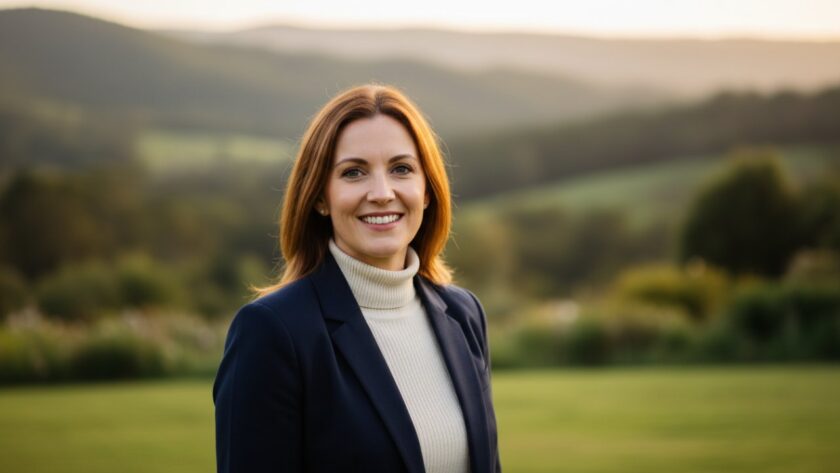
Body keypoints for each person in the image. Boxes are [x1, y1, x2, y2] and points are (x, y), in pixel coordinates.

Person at [213, 84, 501, 473]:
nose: (382, 193)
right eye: (354, 173)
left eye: (401, 169)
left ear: (427, 189)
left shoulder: (463, 314)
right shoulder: (272, 332)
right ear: (320, 197)